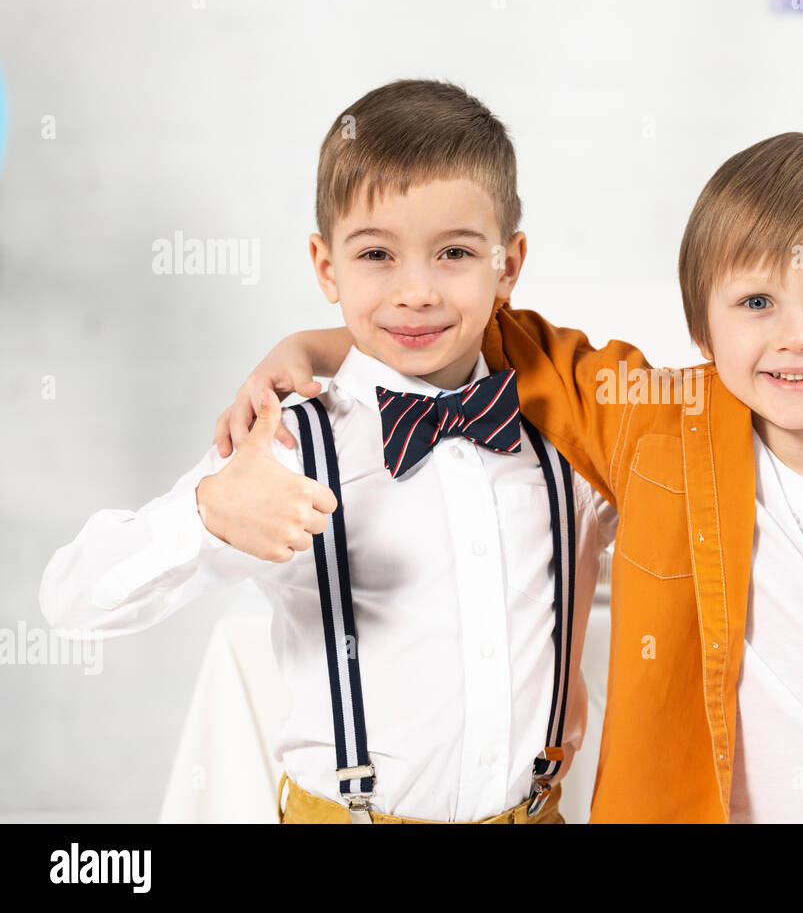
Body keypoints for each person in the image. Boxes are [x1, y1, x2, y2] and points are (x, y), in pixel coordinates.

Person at [207, 133, 803, 822]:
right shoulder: (653, 425)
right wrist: (317, 340)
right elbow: (479, 327)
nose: (793, 332)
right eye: (755, 301)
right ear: (704, 332)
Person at [39, 79, 622, 824]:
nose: (416, 291)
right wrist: (206, 513)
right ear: (324, 266)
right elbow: (70, 602)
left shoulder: (564, 440)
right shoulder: (286, 445)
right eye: (377, 253)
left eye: (454, 253)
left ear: (508, 264)